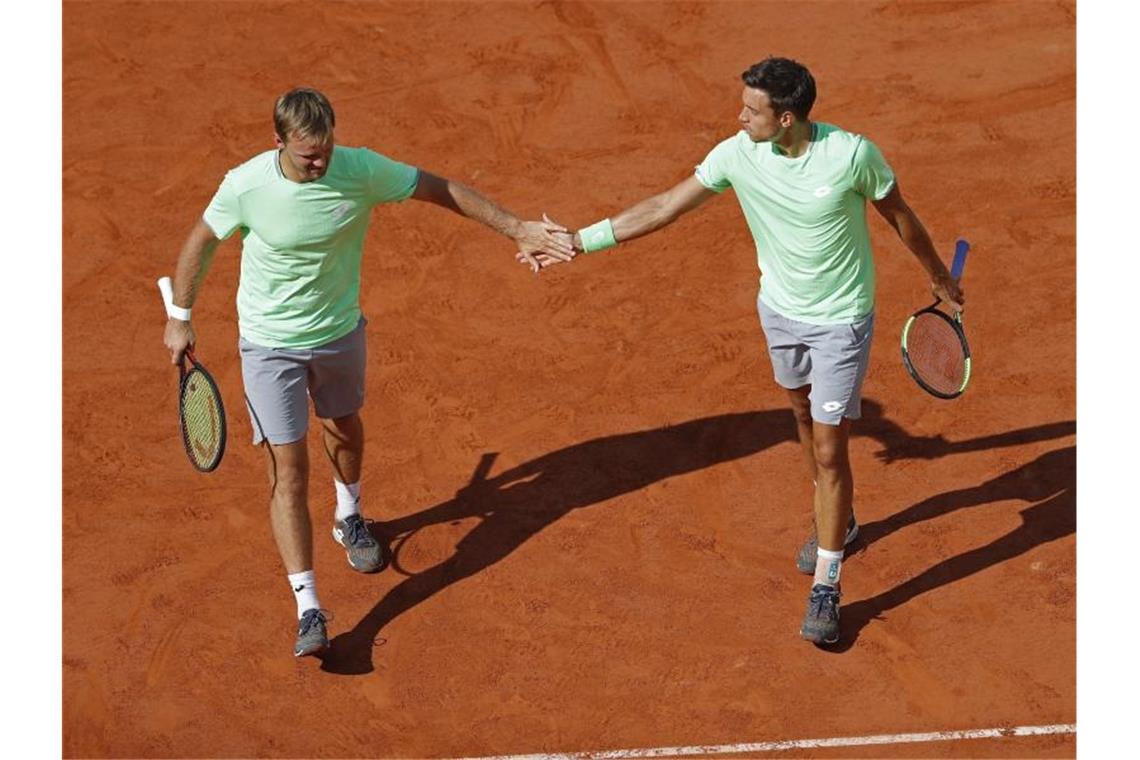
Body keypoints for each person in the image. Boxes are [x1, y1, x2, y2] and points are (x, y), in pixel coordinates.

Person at [526, 57, 964, 646]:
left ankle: (828, 585)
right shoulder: (737, 154)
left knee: (832, 451)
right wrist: (580, 242)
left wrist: (937, 275)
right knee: (802, 416)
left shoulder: (851, 155)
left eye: (751, 110)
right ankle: (841, 521)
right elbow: (663, 206)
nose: (740, 116)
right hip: (779, 314)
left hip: (841, 323)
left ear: (786, 118)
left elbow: (899, 216)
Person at [162, 88, 574, 658]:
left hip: (338, 333)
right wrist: (180, 318)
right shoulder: (246, 185)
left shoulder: (358, 168)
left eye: (325, 149)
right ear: (278, 142)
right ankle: (309, 606)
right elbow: (201, 242)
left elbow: (439, 188)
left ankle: (349, 516)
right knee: (288, 468)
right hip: (269, 346)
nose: (320, 162)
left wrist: (514, 227)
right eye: (308, 155)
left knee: (345, 428)